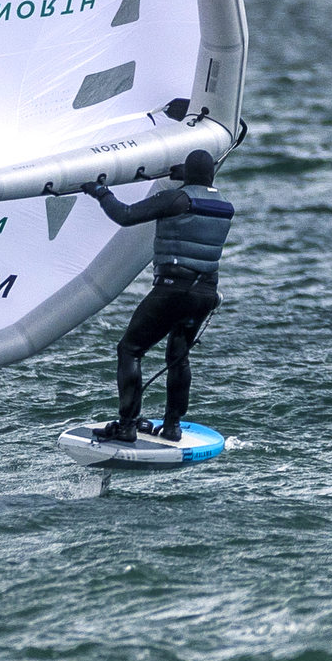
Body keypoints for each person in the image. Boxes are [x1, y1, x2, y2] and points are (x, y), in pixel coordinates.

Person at [85, 150, 233, 442]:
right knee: (178, 357)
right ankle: (173, 426)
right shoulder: (225, 206)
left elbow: (125, 215)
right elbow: (197, 180)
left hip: (172, 290)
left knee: (130, 350)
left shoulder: (177, 199)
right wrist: (183, 173)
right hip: (205, 293)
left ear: (187, 175)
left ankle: (127, 425)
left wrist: (100, 192)